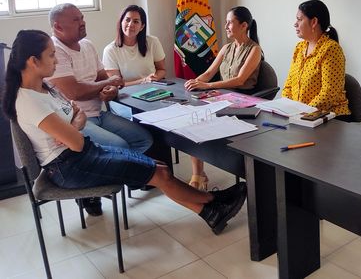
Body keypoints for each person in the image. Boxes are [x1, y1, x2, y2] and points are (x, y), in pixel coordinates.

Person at [1, 30, 247, 235]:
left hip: (81, 153)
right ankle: (214, 203)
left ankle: (211, 211)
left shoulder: (46, 88)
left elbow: (77, 114)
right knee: (160, 173)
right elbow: (75, 141)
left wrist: (72, 125)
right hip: (68, 167)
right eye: (51, 55)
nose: (55, 61)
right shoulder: (30, 101)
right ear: (33, 61)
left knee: (159, 167)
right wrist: (74, 124)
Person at [47, 3, 153, 215]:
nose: (83, 22)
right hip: (74, 120)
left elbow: (104, 79)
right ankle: (91, 190)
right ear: (58, 27)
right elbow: (74, 92)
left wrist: (109, 89)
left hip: (98, 113)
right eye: (76, 20)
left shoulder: (87, 45)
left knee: (144, 139)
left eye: (82, 17)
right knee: (120, 145)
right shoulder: (54, 50)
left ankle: (122, 174)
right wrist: (108, 83)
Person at [184, 6, 262, 190]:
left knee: (203, 119)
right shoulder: (226, 48)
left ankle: (205, 172)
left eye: (229, 22)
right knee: (193, 119)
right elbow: (209, 73)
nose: (226, 26)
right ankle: (198, 173)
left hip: (243, 101)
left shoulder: (254, 49)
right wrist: (195, 82)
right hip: (223, 97)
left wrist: (208, 86)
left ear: (244, 25)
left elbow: (240, 80)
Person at [282, 0, 350, 117]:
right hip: (301, 115)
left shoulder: (331, 49)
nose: (295, 24)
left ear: (314, 22)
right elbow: (288, 86)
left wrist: (303, 112)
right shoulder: (299, 48)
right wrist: (286, 108)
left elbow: (328, 94)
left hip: (330, 117)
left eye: (299, 19)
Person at [103, 5, 167, 86]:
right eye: (127, 20)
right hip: (126, 91)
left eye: (136, 21)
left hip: (153, 87)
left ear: (142, 27)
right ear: (121, 22)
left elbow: (161, 70)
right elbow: (116, 84)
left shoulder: (153, 42)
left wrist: (154, 78)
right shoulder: (110, 50)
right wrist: (144, 80)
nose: (130, 24)